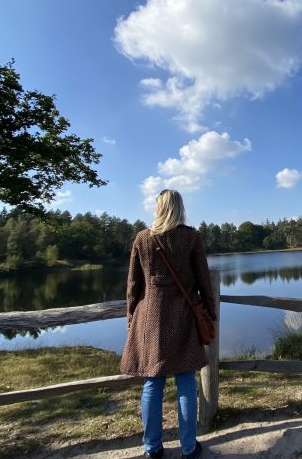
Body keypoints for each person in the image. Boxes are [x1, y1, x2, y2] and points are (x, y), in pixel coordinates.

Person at [120, 189, 216, 459]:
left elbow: (133, 284)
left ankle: (152, 448)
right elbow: (203, 280)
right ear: (179, 207)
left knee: (153, 382)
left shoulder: (143, 238)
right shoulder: (191, 237)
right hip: (183, 317)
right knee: (186, 381)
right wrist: (210, 311)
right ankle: (188, 448)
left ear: (158, 207)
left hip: (150, 319)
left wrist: (131, 318)